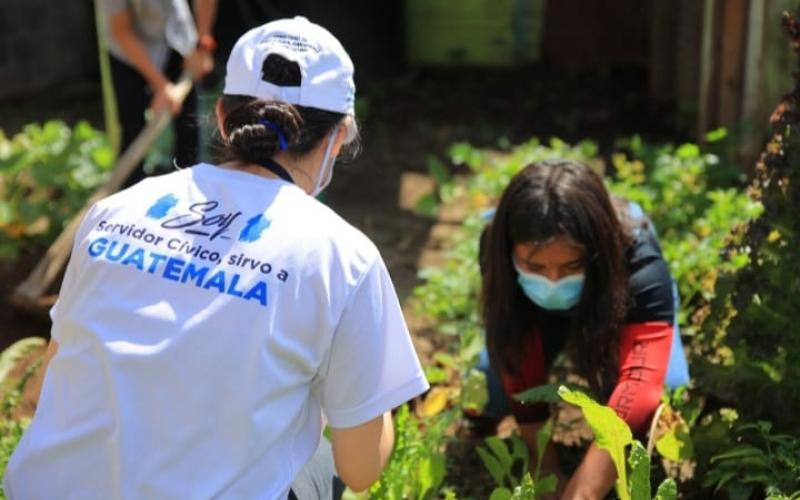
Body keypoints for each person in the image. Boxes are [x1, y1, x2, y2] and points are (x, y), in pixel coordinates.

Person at [5, 17, 429, 499]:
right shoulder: (341, 256)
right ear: (339, 135)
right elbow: (362, 468)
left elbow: (62, 371)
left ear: (224, 118)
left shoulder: (115, 210)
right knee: (318, 456)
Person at [479, 160, 686, 498]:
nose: (552, 281)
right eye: (534, 267)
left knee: (667, 388)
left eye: (571, 265)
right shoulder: (495, 247)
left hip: (610, 300)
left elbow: (640, 381)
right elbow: (514, 341)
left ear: (596, 254)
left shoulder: (638, 257)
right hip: (533, 314)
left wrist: (584, 489)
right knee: (492, 387)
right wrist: (544, 465)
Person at [101, 0, 219, 187]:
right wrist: (161, 85)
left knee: (189, 124)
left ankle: (190, 187)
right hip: (129, 51)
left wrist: (202, 45)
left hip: (178, 38)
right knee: (132, 128)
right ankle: (132, 195)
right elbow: (121, 30)